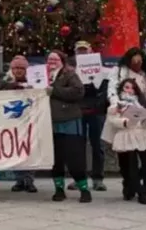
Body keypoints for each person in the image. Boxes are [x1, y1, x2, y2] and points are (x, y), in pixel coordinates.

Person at [101, 79, 146, 205]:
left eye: (132, 88)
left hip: (142, 134)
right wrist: (125, 122)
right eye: (126, 87)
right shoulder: (117, 104)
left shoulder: (142, 103)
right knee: (130, 164)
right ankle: (139, 191)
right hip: (126, 133)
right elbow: (112, 119)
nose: (129, 90)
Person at [46, 50, 91, 203]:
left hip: (69, 120)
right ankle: (59, 189)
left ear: (62, 61)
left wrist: (55, 91)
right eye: (49, 60)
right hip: (49, 122)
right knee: (55, 159)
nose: (51, 62)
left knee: (74, 157)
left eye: (55, 59)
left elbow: (78, 91)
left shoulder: (69, 74)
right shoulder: (41, 76)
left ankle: (84, 189)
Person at [68, 40, 108, 192]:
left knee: (98, 146)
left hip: (96, 112)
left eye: (85, 50)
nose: (83, 53)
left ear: (91, 51)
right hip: (78, 111)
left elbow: (105, 89)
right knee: (78, 146)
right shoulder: (71, 71)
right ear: (76, 53)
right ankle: (79, 179)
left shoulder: (100, 68)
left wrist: (98, 104)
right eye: (80, 50)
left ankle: (98, 178)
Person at [1, 55, 37, 193]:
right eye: (16, 68)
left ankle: (29, 179)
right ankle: (19, 179)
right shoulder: (6, 81)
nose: (19, 71)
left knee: (29, 150)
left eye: (22, 68)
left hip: (29, 120)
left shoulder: (33, 81)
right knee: (16, 149)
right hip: (12, 121)